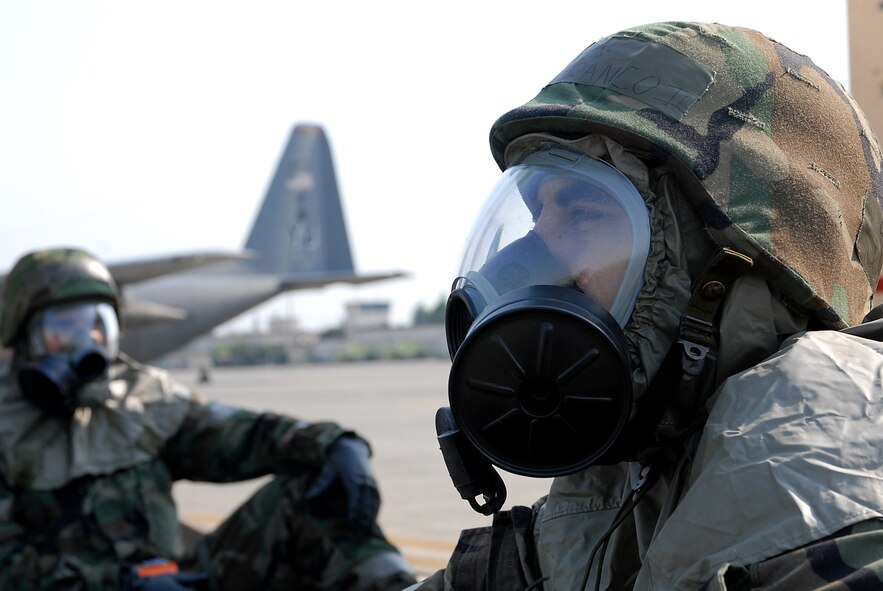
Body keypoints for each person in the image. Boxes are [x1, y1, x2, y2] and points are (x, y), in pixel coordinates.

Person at [413, 21, 883, 591]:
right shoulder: (627, 479)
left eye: (583, 213)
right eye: (537, 216)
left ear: (723, 266)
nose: (527, 261)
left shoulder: (828, 476)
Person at [0, 247, 417, 590]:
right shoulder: (6, 426)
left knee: (314, 493)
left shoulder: (142, 401)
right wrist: (120, 582)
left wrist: (334, 443)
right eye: (66, 327)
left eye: (97, 326)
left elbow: (239, 436)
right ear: (25, 336)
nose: (88, 342)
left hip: (172, 581)